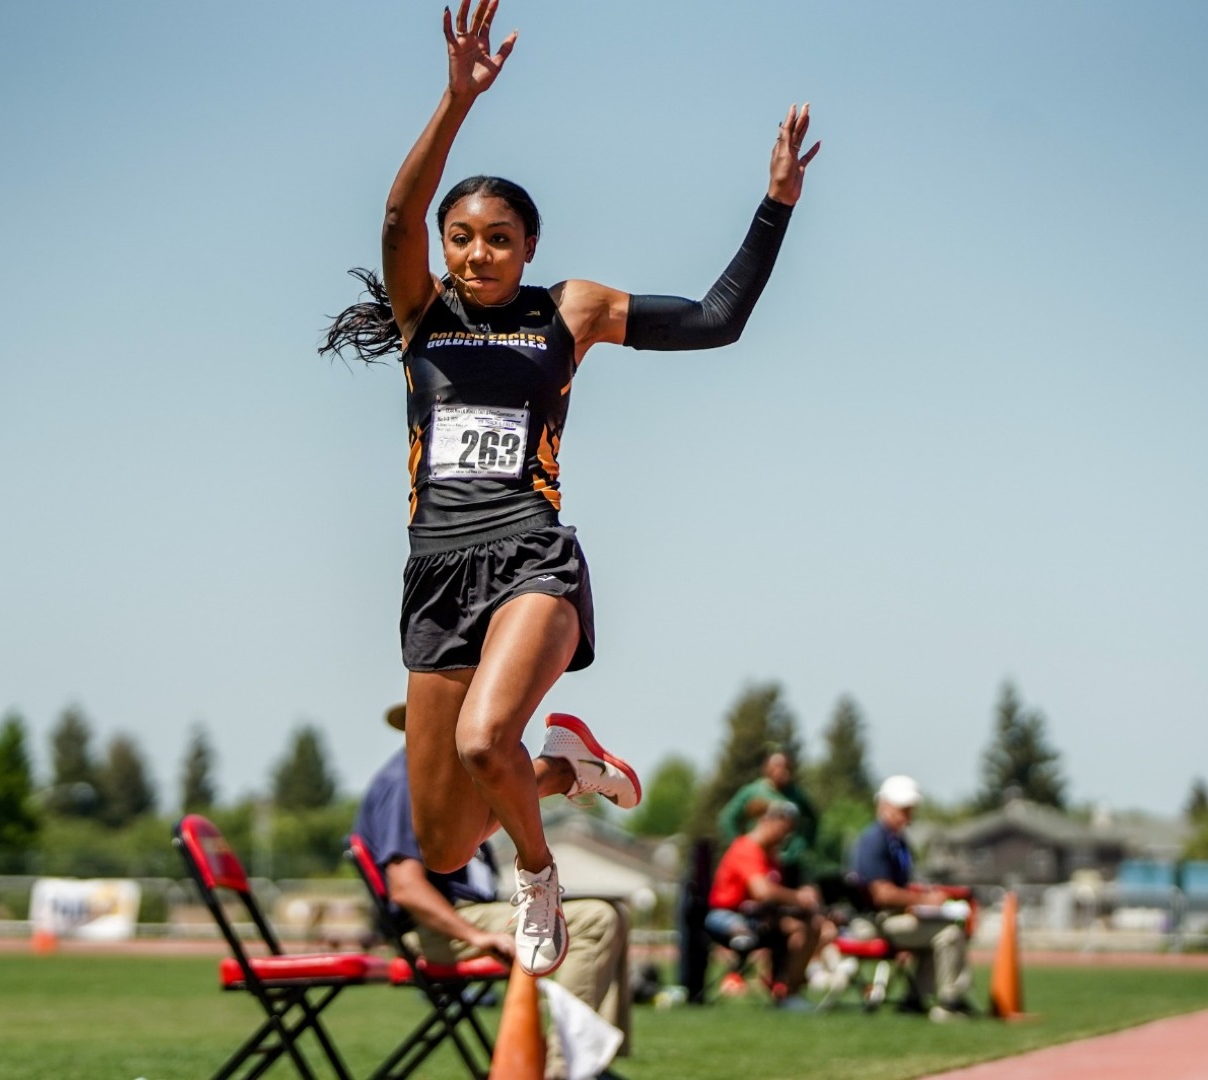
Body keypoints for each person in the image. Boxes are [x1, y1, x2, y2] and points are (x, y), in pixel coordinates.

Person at [318, 0, 818, 976]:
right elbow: (395, 218)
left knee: (484, 740)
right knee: (444, 841)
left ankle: (539, 877)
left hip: (530, 557)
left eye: (498, 237)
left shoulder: (569, 312)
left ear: (530, 247)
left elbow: (716, 319)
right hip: (435, 573)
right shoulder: (422, 316)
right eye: (461, 236)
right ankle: (569, 767)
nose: (477, 253)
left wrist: (777, 205)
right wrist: (457, 100)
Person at [354, 743, 631, 1080]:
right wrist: (477, 936)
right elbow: (406, 887)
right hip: (432, 930)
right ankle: (568, 1069)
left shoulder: (444, 779)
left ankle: (590, 1061)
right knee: (595, 918)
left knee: (615, 913)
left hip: (469, 915)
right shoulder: (407, 780)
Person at [847, 776, 973, 1021]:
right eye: (902, 808)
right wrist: (924, 900)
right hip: (876, 921)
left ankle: (916, 997)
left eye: (909, 809)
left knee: (940, 931)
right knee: (949, 933)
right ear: (884, 805)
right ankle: (950, 1001)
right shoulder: (874, 839)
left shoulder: (896, 840)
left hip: (893, 916)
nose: (907, 815)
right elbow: (881, 893)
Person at [708, 800, 834, 1008]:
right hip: (728, 916)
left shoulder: (771, 855)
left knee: (812, 925)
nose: (786, 837)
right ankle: (786, 992)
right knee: (800, 927)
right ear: (766, 821)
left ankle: (788, 989)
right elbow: (762, 891)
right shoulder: (746, 848)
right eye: (784, 829)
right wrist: (799, 898)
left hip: (760, 916)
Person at [718, 752, 820, 886]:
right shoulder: (753, 791)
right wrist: (740, 845)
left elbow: (812, 818)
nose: (781, 770)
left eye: (785, 767)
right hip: (760, 857)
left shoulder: (796, 794)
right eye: (777, 766)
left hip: (789, 860)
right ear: (767, 769)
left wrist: (803, 845)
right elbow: (727, 818)